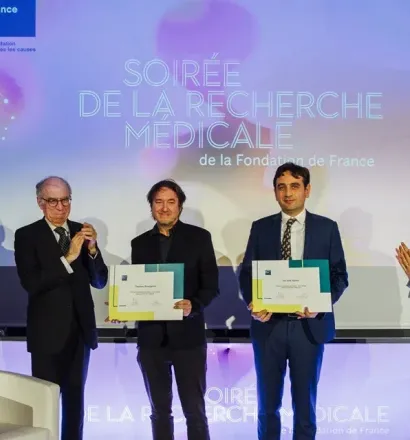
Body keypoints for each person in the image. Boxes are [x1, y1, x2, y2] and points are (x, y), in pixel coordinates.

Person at [239, 162, 348, 440]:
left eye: (295, 186)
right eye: (281, 187)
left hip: (308, 328)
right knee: (267, 407)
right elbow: (248, 272)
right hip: (269, 327)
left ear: (307, 190)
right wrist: (254, 303)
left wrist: (321, 303)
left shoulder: (327, 228)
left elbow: (339, 276)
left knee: (305, 407)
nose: (288, 193)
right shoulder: (261, 228)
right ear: (275, 192)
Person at [14, 176, 108, 440]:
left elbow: (99, 281)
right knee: (45, 403)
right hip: (47, 335)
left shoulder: (81, 231)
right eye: (53, 201)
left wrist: (92, 250)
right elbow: (32, 284)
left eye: (65, 200)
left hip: (80, 333)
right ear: (40, 203)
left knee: (75, 403)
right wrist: (68, 258)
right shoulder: (27, 236)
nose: (61, 207)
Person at [131, 179, 219, 440]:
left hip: (188, 338)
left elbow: (211, 286)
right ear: (151, 206)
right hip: (151, 339)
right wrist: (123, 307)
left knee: (195, 411)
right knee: (159, 411)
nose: (164, 208)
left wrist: (194, 304)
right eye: (158, 202)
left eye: (171, 202)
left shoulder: (200, 238)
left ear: (180, 206)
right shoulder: (139, 243)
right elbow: (139, 288)